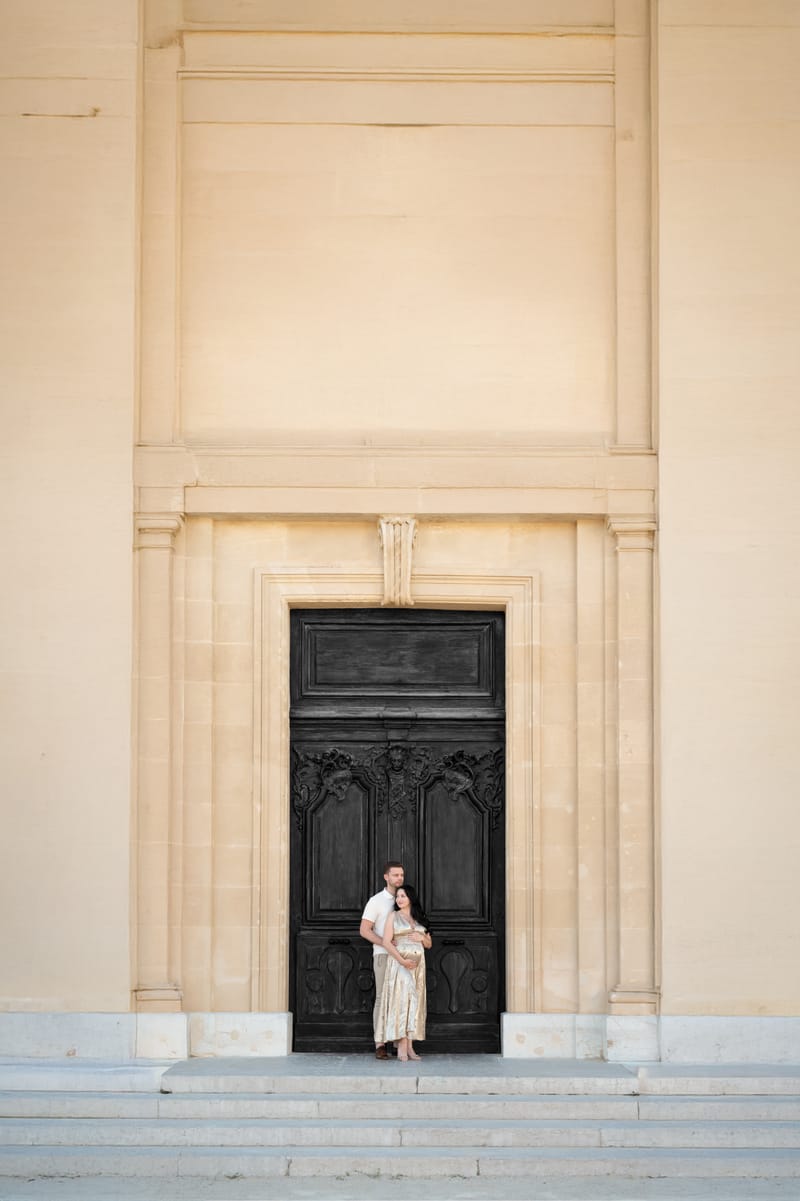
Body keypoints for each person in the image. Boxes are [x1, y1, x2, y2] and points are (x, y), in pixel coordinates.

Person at [375, 884, 432, 1062]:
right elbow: (386, 942)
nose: (399, 899)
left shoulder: (419, 918)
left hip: (418, 968)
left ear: (411, 899)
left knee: (414, 1004)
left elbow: (429, 944)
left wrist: (422, 937)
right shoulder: (393, 916)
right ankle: (401, 1045)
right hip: (400, 964)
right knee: (401, 1003)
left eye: (403, 896)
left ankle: (410, 1046)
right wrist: (402, 961)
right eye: (398, 896)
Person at [360, 861, 409, 1059]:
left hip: (403, 957)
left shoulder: (406, 899)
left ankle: (399, 1043)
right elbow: (364, 930)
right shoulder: (376, 901)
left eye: (401, 875)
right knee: (382, 998)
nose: (399, 878)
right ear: (386, 877)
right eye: (395, 875)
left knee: (400, 998)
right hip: (382, 956)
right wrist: (385, 943)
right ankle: (380, 1043)